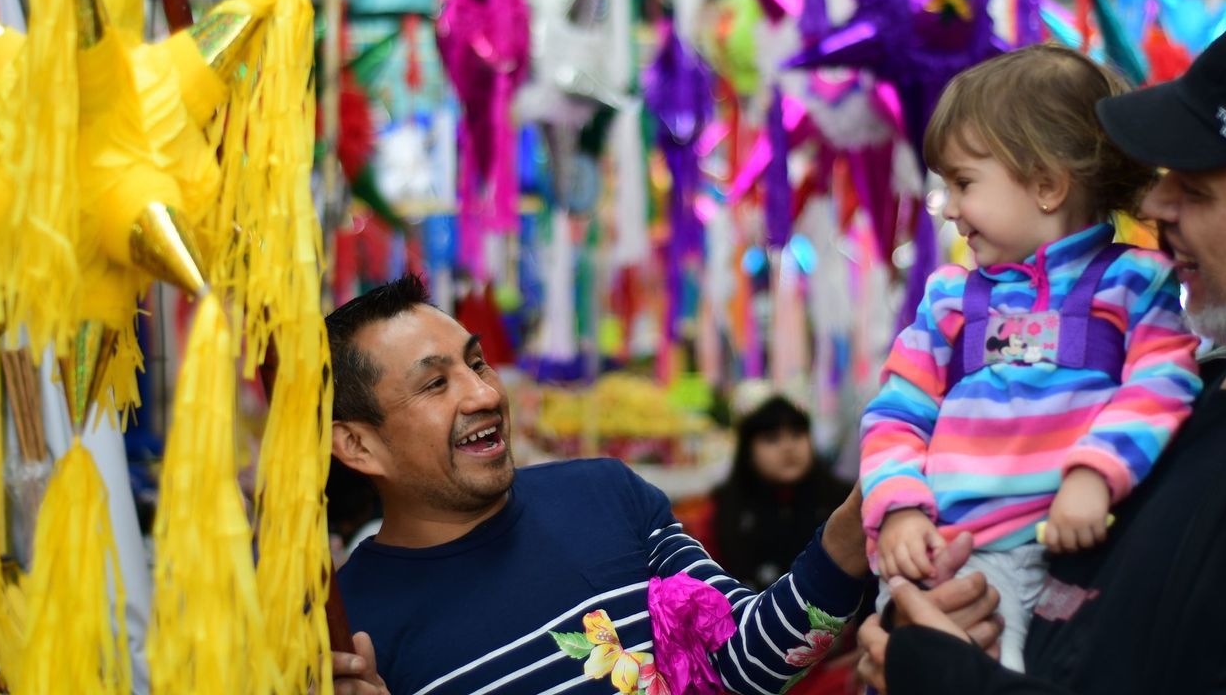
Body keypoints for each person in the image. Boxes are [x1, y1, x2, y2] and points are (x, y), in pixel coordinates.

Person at [856, 12, 1226, 695]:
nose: (1158, 204)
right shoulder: (957, 300)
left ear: (1048, 185)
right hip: (949, 554)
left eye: (1196, 187)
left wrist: (940, 673)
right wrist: (899, 510)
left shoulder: (1140, 305)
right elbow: (898, 410)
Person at [324, 275, 1000, 695]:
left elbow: (745, 658)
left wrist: (864, 513)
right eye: (436, 383)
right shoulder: (349, 629)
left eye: (477, 363)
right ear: (357, 443)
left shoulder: (605, 495)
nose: (482, 394)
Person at [705, 388, 853, 591]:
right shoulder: (724, 508)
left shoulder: (844, 501)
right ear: (748, 451)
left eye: (797, 434)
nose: (788, 447)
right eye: (772, 438)